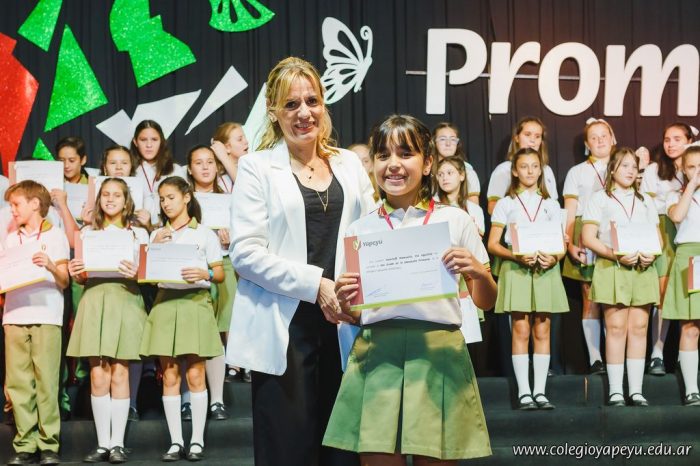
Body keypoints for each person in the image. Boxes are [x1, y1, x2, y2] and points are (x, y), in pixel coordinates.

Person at [225, 56, 375, 466]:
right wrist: (316, 285)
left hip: (344, 321)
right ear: (273, 112)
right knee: (288, 450)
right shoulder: (257, 168)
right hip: (284, 326)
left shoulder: (348, 163)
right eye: (291, 104)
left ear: (323, 104)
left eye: (312, 101)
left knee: (342, 451)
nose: (304, 113)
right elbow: (245, 253)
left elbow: (370, 233)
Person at [324, 114, 496, 465]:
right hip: (377, 354)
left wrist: (478, 272)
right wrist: (344, 302)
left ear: (428, 163)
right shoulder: (360, 230)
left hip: (439, 353)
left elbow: (487, 301)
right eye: (383, 155)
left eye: (405, 154)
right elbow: (353, 313)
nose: (393, 164)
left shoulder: (455, 220)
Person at [139, 176, 224, 461]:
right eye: (162, 199)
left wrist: (205, 273)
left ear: (186, 197)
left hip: (194, 302)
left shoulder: (205, 234)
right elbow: (145, 276)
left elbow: (219, 274)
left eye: (171, 197)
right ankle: (176, 442)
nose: (166, 203)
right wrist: (153, 246)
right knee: (170, 374)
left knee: (196, 373)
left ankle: (197, 440)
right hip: (165, 303)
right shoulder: (157, 234)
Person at [66, 178, 149, 463]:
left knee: (120, 371)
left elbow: (148, 275)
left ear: (127, 202)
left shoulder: (138, 234)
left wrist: (137, 273)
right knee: (98, 372)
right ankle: (102, 444)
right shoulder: (87, 233)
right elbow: (81, 276)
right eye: (105, 195)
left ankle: (117, 444)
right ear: (99, 200)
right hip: (94, 299)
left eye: (117, 195)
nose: (110, 199)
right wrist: (76, 272)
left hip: (125, 299)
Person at [487, 148, 568, 410]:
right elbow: (492, 244)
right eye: (524, 166)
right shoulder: (506, 203)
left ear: (541, 170)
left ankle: (540, 392)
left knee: (543, 328)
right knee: (520, 329)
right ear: (514, 171)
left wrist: (554, 258)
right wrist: (516, 256)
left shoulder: (551, 204)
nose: (530, 171)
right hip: (517, 268)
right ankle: (524, 392)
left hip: (545, 268)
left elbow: (561, 245)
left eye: (535, 166)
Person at [582, 147, 661, 407]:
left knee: (639, 328)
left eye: (634, 166)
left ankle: (636, 391)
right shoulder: (599, 199)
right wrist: (614, 255)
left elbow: (657, 238)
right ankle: (616, 390)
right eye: (624, 165)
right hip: (612, 267)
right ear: (613, 169)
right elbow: (588, 237)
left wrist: (652, 254)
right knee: (615, 328)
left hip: (642, 268)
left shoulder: (645, 200)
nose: (630, 171)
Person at [3, 181, 70, 466]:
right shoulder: (10, 238)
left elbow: (64, 281)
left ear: (34, 204)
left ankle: (49, 444)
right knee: (18, 384)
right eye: (11, 205)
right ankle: (25, 444)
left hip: (46, 314)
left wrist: (51, 265)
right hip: (15, 316)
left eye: (16, 204)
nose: (12, 210)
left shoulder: (55, 235)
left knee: (46, 382)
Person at [640, 123, 696, 375]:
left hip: (690, 232)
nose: (671, 144)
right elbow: (646, 204)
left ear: (690, 141)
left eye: (677, 139)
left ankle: (686, 356)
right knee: (663, 292)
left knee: (690, 293)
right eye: (667, 139)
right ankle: (657, 352)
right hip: (662, 228)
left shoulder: (694, 165)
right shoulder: (654, 170)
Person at [562, 118, 616, 374]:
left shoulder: (625, 166)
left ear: (613, 138)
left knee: (615, 299)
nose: (600, 140)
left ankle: (615, 356)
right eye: (593, 137)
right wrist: (570, 243)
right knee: (590, 298)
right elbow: (570, 211)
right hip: (586, 231)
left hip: (615, 230)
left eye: (604, 135)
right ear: (587, 144)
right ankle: (596, 359)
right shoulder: (577, 172)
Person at [186, 145, 234, 419]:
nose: (205, 167)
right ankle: (189, 398)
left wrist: (231, 238)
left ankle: (217, 400)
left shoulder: (229, 199)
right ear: (189, 168)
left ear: (218, 167)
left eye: (210, 162)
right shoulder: (183, 199)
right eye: (199, 162)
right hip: (191, 267)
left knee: (218, 331)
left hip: (223, 264)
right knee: (193, 332)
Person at [664, 145, 700, 406]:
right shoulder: (674, 195)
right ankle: (691, 389)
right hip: (689, 256)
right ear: (683, 169)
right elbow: (677, 215)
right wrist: (692, 186)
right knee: (690, 326)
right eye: (692, 167)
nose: (698, 171)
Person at [131, 120, 187, 225]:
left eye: (154, 139)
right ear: (135, 142)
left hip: (171, 229)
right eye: (143, 140)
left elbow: (186, 204)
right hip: (137, 228)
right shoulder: (129, 171)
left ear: (162, 141)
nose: (149, 145)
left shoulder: (175, 170)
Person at [432, 122, 480, 204]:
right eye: (442, 139)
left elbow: (473, 204)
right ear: (434, 142)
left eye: (453, 139)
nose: (448, 144)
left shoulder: (467, 170)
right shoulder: (426, 168)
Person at [435, 157, 485, 235]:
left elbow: (478, 240)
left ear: (462, 175)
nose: (444, 178)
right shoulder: (430, 205)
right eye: (440, 174)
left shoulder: (475, 209)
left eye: (449, 173)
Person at [210, 121, 249, 189]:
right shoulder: (214, 174)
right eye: (240, 139)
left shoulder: (251, 167)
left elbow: (248, 188)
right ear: (227, 147)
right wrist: (224, 157)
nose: (246, 141)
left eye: (245, 137)